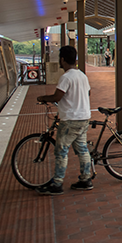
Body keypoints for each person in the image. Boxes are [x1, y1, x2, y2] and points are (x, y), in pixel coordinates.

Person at [36, 46, 93, 195]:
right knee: (82, 149)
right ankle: (86, 179)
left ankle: (57, 183)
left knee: (61, 150)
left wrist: (43, 98)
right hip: (84, 118)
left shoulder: (66, 77)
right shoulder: (82, 75)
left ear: (62, 59)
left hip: (70, 120)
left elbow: (57, 97)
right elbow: (88, 92)